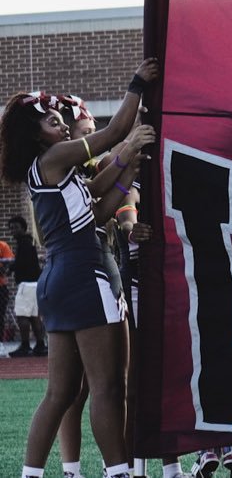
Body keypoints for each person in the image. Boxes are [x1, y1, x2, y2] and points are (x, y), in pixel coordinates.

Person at [3, 57, 159, 478]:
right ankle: (119, 472)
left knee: (62, 392)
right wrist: (137, 84)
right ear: (35, 135)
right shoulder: (55, 157)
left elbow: (100, 210)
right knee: (109, 388)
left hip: (60, 277)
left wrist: (126, 169)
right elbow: (112, 133)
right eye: (53, 121)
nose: (63, 125)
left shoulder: (55, 170)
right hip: (86, 273)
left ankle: (32, 474)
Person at [8, 215, 43, 357]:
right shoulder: (29, 242)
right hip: (34, 284)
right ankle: (40, 345)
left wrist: (11, 267)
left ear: (23, 228)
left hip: (26, 285)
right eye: (11, 229)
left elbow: (23, 263)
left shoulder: (24, 244)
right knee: (34, 316)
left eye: (16, 228)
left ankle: (25, 345)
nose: (13, 231)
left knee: (22, 315)